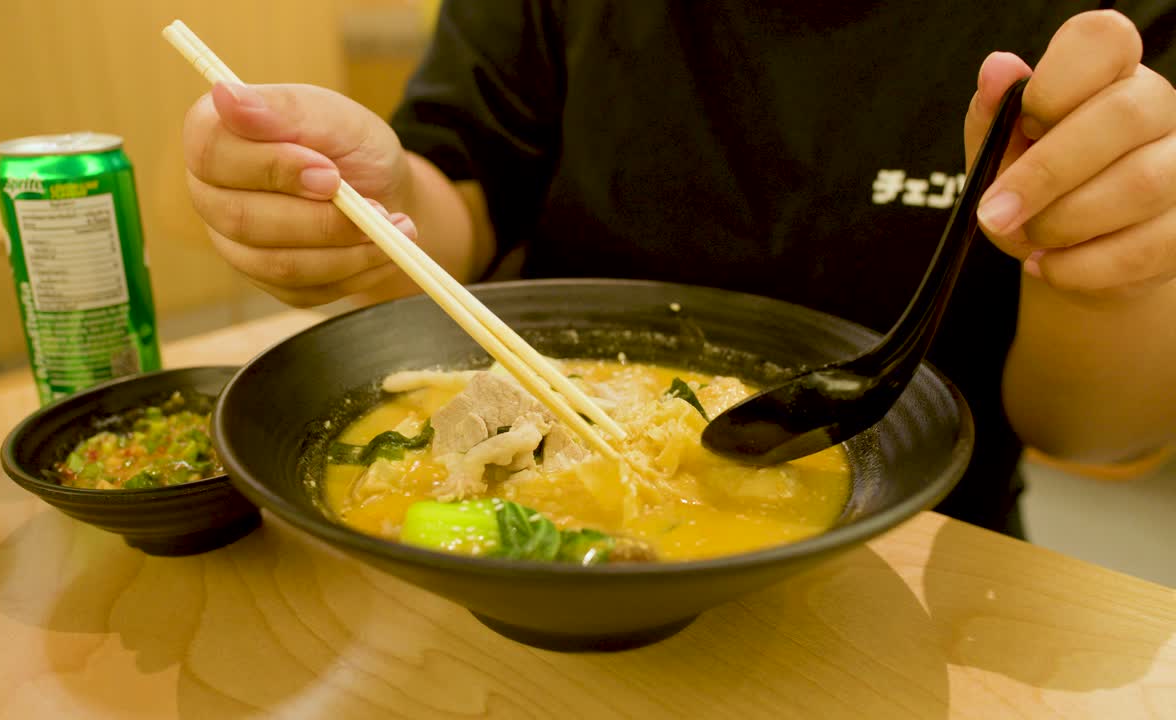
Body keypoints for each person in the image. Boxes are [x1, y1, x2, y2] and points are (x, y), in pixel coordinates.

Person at [181, 2, 1176, 536]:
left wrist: (1101, 270)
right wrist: (369, 203)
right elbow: (458, 199)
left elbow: (1096, 433)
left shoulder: (1104, 27)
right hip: (523, 603)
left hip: (924, 561)